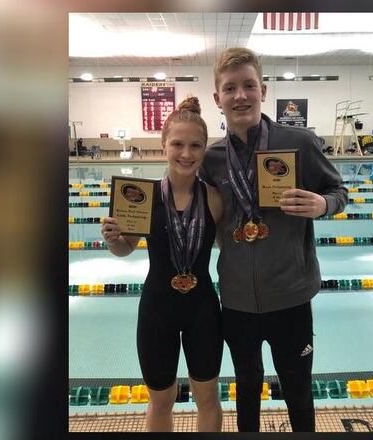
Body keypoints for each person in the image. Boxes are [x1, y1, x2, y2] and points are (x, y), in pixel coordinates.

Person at [199, 47, 348, 432]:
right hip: (236, 303)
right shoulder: (211, 158)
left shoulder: (299, 141)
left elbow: (338, 191)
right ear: (218, 99)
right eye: (230, 88)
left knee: (298, 392)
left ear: (263, 90)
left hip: (291, 298)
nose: (240, 95)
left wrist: (323, 204)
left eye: (249, 85)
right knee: (247, 390)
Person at [101, 97, 224, 432]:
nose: (186, 153)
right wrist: (114, 240)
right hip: (157, 310)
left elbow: (229, 246)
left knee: (208, 398)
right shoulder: (143, 195)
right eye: (178, 144)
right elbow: (126, 248)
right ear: (163, 145)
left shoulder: (214, 198)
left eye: (195, 145)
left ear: (204, 148)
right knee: (160, 401)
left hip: (203, 311)